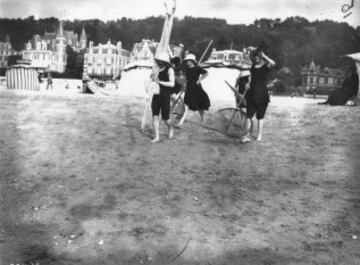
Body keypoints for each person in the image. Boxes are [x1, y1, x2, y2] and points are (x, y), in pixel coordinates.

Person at [241, 48, 275, 142]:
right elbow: (251, 78)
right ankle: (247, 135)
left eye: (257, 56)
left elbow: (273, 63)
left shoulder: (265, 67)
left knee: (260, 116)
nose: (255, 58)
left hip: (262, 94)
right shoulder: (252, 67)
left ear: (260, 57)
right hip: (251, 94)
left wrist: (264, 56)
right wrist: (248, 83)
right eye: (255, 57)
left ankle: (259, 136)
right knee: (248, 116)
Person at [176, 53, 210, 127]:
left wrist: (199, 80)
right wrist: (184, 85)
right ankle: (180, 122)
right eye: (187, 61)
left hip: (196, 88)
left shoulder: (197, 68)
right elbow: (186, 79)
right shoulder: (187, 69)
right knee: (186, 104)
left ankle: (204, 120)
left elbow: (206, 73)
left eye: (188, 61)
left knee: (200, 106)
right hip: (189, 88)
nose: (187, 62)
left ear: (192, 61)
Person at [150, 52, 175, 143]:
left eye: (161, 61)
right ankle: (157, 136)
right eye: (159, 61)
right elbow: (152, 81)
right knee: (155, 116)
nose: (160, 63)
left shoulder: (170, 70)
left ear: (165, 62)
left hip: (165, 95)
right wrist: (152, 79)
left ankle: (170, 127)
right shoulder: (155, 69)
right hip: (156, 95)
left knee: (165, 118)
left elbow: (172, 84)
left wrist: (159, 82)